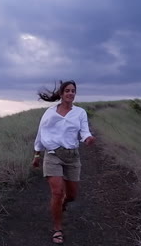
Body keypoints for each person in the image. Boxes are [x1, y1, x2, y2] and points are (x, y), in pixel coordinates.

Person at [32, 80, 95, 244]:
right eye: (67, 90)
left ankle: (63, 204)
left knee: (72, 196)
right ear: (61, 94)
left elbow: (85, 131)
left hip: (72, 156)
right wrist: (37, 155)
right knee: (57, 192)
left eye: (73, 91)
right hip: (53, 155)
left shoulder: (80, 113)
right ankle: (57, 229)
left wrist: (88, 138)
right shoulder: (49, 113)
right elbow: (41, 133)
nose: (70, 93)